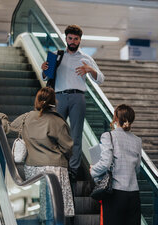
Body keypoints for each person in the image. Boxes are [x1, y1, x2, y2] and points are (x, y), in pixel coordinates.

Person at [0, 87, 75, 218]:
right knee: (57, 207)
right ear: (54, 102)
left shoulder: (26, 118)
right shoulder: (58, 122)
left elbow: (8, 127)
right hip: (55, 170)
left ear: (37, 100)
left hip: (33, 170)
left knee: (43, 205)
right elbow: (67, 148)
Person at [90, 104, 143, 225]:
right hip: (133, 195)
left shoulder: (108, 136)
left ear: (115, 118)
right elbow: (137, 168)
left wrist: (92, 170)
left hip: (116, 195)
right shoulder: (137, 140)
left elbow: (104, 163)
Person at [41, 24, 105, 184]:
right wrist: (43, 69)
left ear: (80, 40)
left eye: (76, 39)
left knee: (76, 136)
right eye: (70, 38)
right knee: (56, 134)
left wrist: (91, 70)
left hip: (78, 97)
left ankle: (73, 171)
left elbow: (101, 79)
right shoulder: (56, 55)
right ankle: (58, 166)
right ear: (66, 38)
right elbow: (45, 77)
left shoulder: (85, 58)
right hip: (59, 97)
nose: (73, 41)